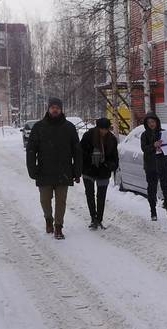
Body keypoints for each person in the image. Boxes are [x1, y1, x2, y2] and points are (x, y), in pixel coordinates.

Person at [26, 97, 82, 240]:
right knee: (45, 200)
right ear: (48, 109)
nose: (55, 109)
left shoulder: (69, 127)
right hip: (44, 171)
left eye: (57, 107)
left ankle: (58, 227)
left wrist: (77, 171)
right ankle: (48, 219)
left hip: (64, 171)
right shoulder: (39, 127)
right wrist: (32, 169)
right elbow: (31, 150)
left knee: (61, 201)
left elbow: (77, 150)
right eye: (52, 107)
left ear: (61, 109)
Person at [80, 117, 119, 229]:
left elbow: (115, 158)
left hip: (103, 171)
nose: (104, 131)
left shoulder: (112, 139)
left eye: (106, 129)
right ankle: (93, 218)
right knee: (90, 194)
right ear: (97, 128)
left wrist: (108, 165)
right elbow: (80, 151)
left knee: (101, 196)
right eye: (101, 129)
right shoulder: (88, 136)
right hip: (88, 170)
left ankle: (99, 219)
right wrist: (91, 157)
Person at [140, 111, 167, 221]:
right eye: (149, 122)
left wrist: (163, 148)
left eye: (153, 121)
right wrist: (153, 145)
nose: (151, 124)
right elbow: (144, 149)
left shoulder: (163, 133)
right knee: (152, 189)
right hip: (150, 165)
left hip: (163, 164)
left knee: (166, 188)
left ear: (157, 122)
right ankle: (153, 212)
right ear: (146, 124)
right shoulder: (144, 135)